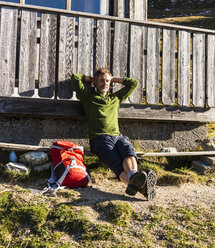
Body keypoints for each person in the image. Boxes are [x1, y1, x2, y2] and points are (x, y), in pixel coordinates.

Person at [71, 68, 157, 200]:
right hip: (99, 139)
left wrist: (113, 79)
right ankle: (142, 187)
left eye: (107, 81)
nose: (105, 83)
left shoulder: (115, 98)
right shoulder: (88, 97)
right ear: (95, 82)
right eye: (101, 80)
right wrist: (90, 79)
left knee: (128, 151)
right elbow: (75, 78)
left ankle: (135, 178)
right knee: (117, 163)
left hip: (118, 136)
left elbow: (134, 83)